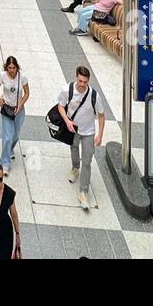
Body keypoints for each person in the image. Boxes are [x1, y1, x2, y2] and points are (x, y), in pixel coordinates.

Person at [58, 67, 104, 210]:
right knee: (73, 148)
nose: (82, 84)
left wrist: (100, 135)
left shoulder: (94, 95)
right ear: (76, 77)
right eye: (80, 81)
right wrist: (67, 121)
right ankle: (75, 168)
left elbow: (101, 115)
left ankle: (83, 192)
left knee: (88, 161)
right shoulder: (67, 90)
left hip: (88, 132)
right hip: (73, 128)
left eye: (85, 81)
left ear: (88, 81)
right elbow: (60, 106)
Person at [0, 56, 29, 167]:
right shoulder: (2, 76)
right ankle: (5, 162)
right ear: (6, 67)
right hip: (7, 109)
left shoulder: (22, 77)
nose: (12, 70)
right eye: (9, 67)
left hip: (19, 110)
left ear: (17, 67)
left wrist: (20, 104)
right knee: (7, 137)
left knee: (15, 136)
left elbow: (27, 93)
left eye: (14, 67)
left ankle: (10, 150)